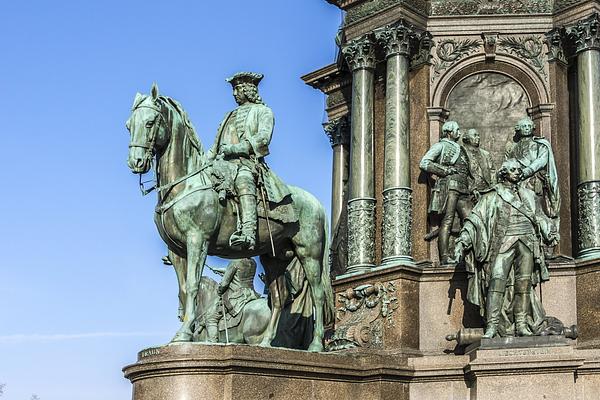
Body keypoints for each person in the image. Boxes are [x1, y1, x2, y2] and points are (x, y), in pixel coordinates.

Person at [453, 159, 559, 339]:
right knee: (496, 281)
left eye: (519, 170)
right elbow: (475, 220)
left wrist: (549, 229)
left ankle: (522, 323)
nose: (517, 172)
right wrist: (462, 241)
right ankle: (492, 325)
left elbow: (539, 217)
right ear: (504, 174)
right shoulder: (492, 196)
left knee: (523, 284)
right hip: (504, 241)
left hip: (527, 241)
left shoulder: (529, 195)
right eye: (512, 170)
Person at [207, 72, 288, 250]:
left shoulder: (263, 111)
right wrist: (202, 163)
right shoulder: (228, 116)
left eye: (237, 89)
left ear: (248, 90)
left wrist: (235, 149)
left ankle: (248, 233)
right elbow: (215, 147)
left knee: (243, 178)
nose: (234, 94)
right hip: (222, 164)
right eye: (234, 90)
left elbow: (262, 139)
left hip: (247, 163)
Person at [420, 121, 472, 265]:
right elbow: (424, 163)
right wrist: (444, 170)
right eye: (457, 130)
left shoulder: (460, 148)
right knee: (447, 220)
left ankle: (467, 255)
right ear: (449, 132)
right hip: (449, 187)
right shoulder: (440, 145)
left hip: (463, 188)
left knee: (470, 221)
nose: (459, 133)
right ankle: (444, 257)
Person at [505, 117, 560, 219]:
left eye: (529, 126)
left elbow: (541, 160)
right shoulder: (512, 148)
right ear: (518, 128)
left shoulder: (540, 144)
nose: (527, 128)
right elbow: (508, 163)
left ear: (533, 128)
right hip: (516, 181)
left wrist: (527, 171)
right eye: (524, 126)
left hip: (533, 181)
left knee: (535, 210)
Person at [205, 258, 260, 343]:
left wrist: (219, 290)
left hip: (237, 296)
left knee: (211, 318)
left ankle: (213, 344)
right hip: (251, 294)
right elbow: (240, 272)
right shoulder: (253, 262)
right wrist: (222, 271)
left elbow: (224, 283)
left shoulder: (234, 262)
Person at [462, 128, 494, 197]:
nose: (478, 137)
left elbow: (492, 171)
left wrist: (493, 187)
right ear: (467, 138)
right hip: (470, 191)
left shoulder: (486, 154)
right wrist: (472, 188)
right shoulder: (462, 153)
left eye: (478, 135)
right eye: (475, 135)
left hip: (487, 190)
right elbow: (463, 173)